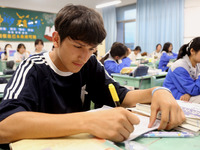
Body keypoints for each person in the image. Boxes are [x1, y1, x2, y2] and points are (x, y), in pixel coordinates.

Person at [0, 5, 185, 147]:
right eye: (78, 47)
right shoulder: (33, 67)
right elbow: (5, 125)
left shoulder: (89, 64)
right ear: (56, 39)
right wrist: (88, 121)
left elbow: (121, 95)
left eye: (92, 49)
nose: (84, 56)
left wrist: (158, 92)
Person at [163, 37, 200, 103]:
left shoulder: (197, 64)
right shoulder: (180, 66)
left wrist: (189, 93)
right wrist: (190, 93)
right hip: (175, 97)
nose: (171, 48)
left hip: (187, 95)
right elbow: (193, 90)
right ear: (192, 51)